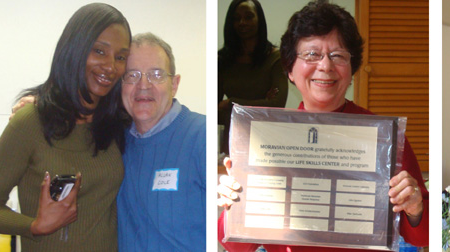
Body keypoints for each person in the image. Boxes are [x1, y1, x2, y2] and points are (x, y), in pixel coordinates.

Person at [217, 2, 428, 251]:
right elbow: (237, 247)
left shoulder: (385, 139)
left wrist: (416, 208)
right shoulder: (265, 138)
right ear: (290, 70)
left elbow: (422, 238)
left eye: (337, 55)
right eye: (311, 54)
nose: (325, 66)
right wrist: (235, 204)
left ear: (352, 70)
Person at [0, 3, 130, 251]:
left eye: (120, 57)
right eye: (99, 51)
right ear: (74, 50)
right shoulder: (31, 122)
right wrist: (33, 226)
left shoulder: (116, 122)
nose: (111, 67)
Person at [116, 32, 206, 251]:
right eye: (132, 75)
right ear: (120, 85)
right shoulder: (113, 142)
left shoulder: (202, 136)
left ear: (174, 84)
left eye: (156, 74)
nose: (143, 85)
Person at [218, 0, 288, 154]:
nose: (242, 22)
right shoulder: (222, 60)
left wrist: (230, 103)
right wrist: (262, 103)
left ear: (259, 20)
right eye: (237, 18)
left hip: (266, 141)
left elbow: (277, 105)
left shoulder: (275, 58)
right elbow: (214, 110)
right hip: (232, 140)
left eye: (249, 17)